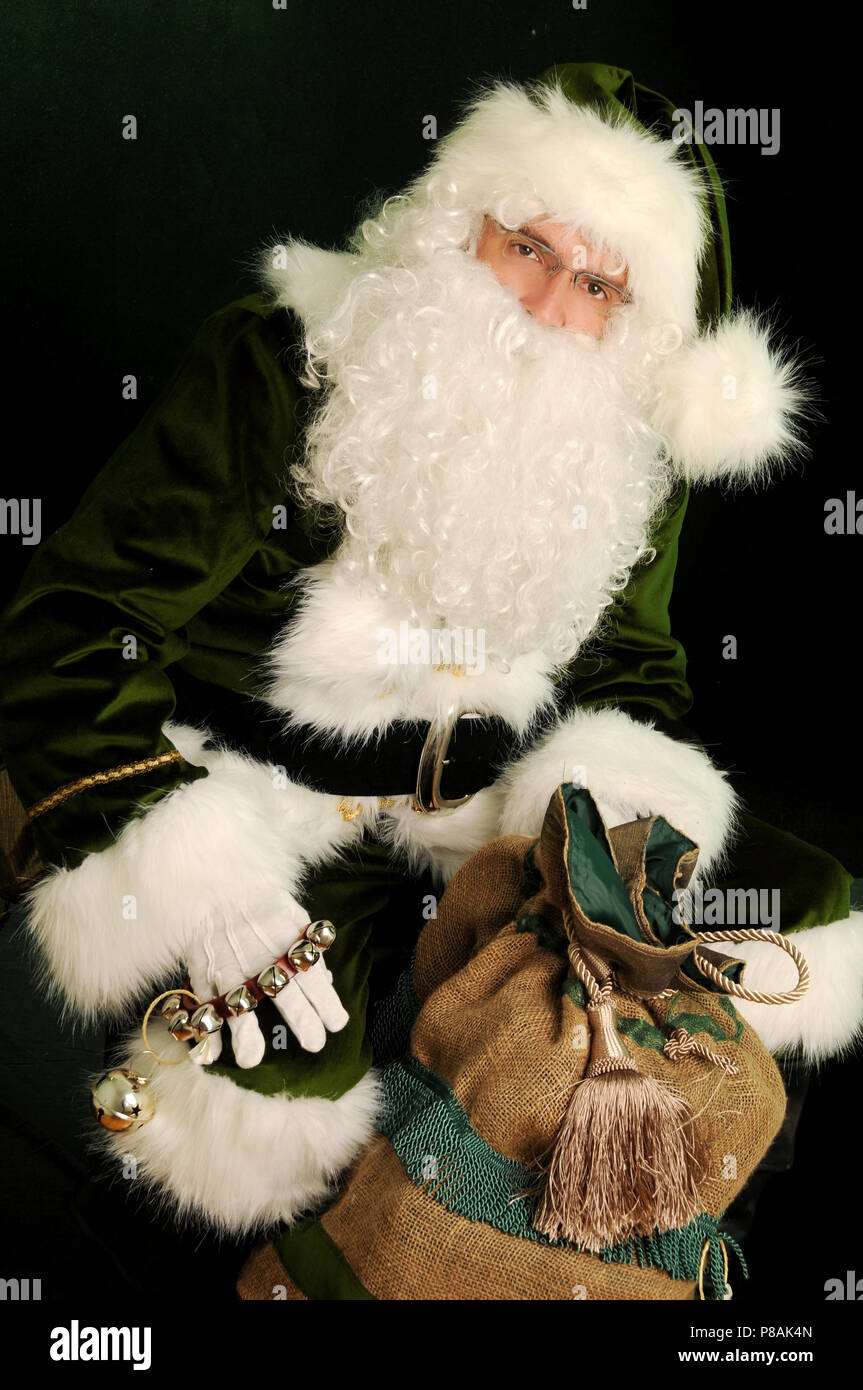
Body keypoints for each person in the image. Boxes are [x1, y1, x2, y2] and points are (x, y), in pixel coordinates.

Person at [0, 62, 860, 1270]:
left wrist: (618, 833)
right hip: (261, 791)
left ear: (633, 317)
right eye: (525, 247)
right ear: (462, 222)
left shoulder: (622, 440)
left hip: (475, 805)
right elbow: (74, 622)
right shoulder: (281, 360)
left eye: (599, 282)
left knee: (805, 909)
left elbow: (637, 673)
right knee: (271, 1083)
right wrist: (194, 872)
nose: (549, 303)